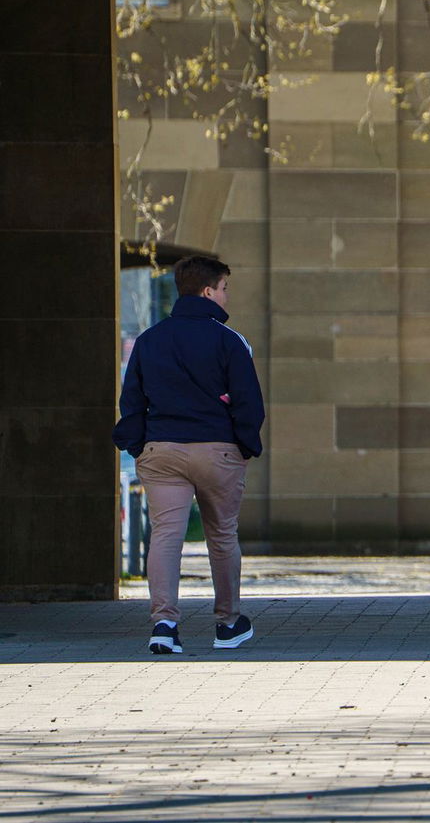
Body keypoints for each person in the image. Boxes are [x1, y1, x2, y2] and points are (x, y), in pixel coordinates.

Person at [113, 255, 264, 654]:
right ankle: (228, 624)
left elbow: (131, 402)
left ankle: (164, 624)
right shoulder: (230, 341)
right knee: (222, 535)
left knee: (165, 536)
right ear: (208, 291)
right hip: (218, 451)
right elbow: (249, 403)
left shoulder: (149, 340)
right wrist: (246, 446)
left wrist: (137, 445)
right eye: (225, 288)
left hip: (161, 450)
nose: (227, 297)